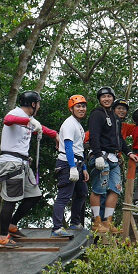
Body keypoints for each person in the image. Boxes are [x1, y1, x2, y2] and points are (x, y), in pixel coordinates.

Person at [0, 90, 58, 248]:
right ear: (33, 104)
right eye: (38, 104)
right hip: (11, 163)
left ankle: (12, 225)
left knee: (34, 195)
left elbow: (40, 127)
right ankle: (3, 236)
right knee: (11, 199)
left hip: (22, 163)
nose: (39, 106)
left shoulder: (30, 119)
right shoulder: (15, 113)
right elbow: (8, 120)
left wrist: (55, 135)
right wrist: (27, 122)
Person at [88, 86, 138, 233]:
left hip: (114, 158)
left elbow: (120, 139)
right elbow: (94, 136)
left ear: (112, 98)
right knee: (99, 189)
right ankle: (97, 221)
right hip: (101, 156)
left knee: (115, 189)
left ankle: (107, 221)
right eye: (103, 97)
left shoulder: (115, 118)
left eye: (109, 97)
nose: (106, 99)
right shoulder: (97, 114)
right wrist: (97, 155)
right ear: (99, 99)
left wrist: (128, 152)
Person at [51, 95, 90, 236]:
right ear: (71, 109)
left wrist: (83, 168)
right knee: (64, 196)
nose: (81, 109)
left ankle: (74, 223)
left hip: (78, 163)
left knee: (82, 192)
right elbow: (68, 147)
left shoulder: (78, 124)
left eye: (83, 106)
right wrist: (72, 167)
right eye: (78, 106)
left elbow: (80, 148)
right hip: (68, 163)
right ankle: (56, 228)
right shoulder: (69, 123)